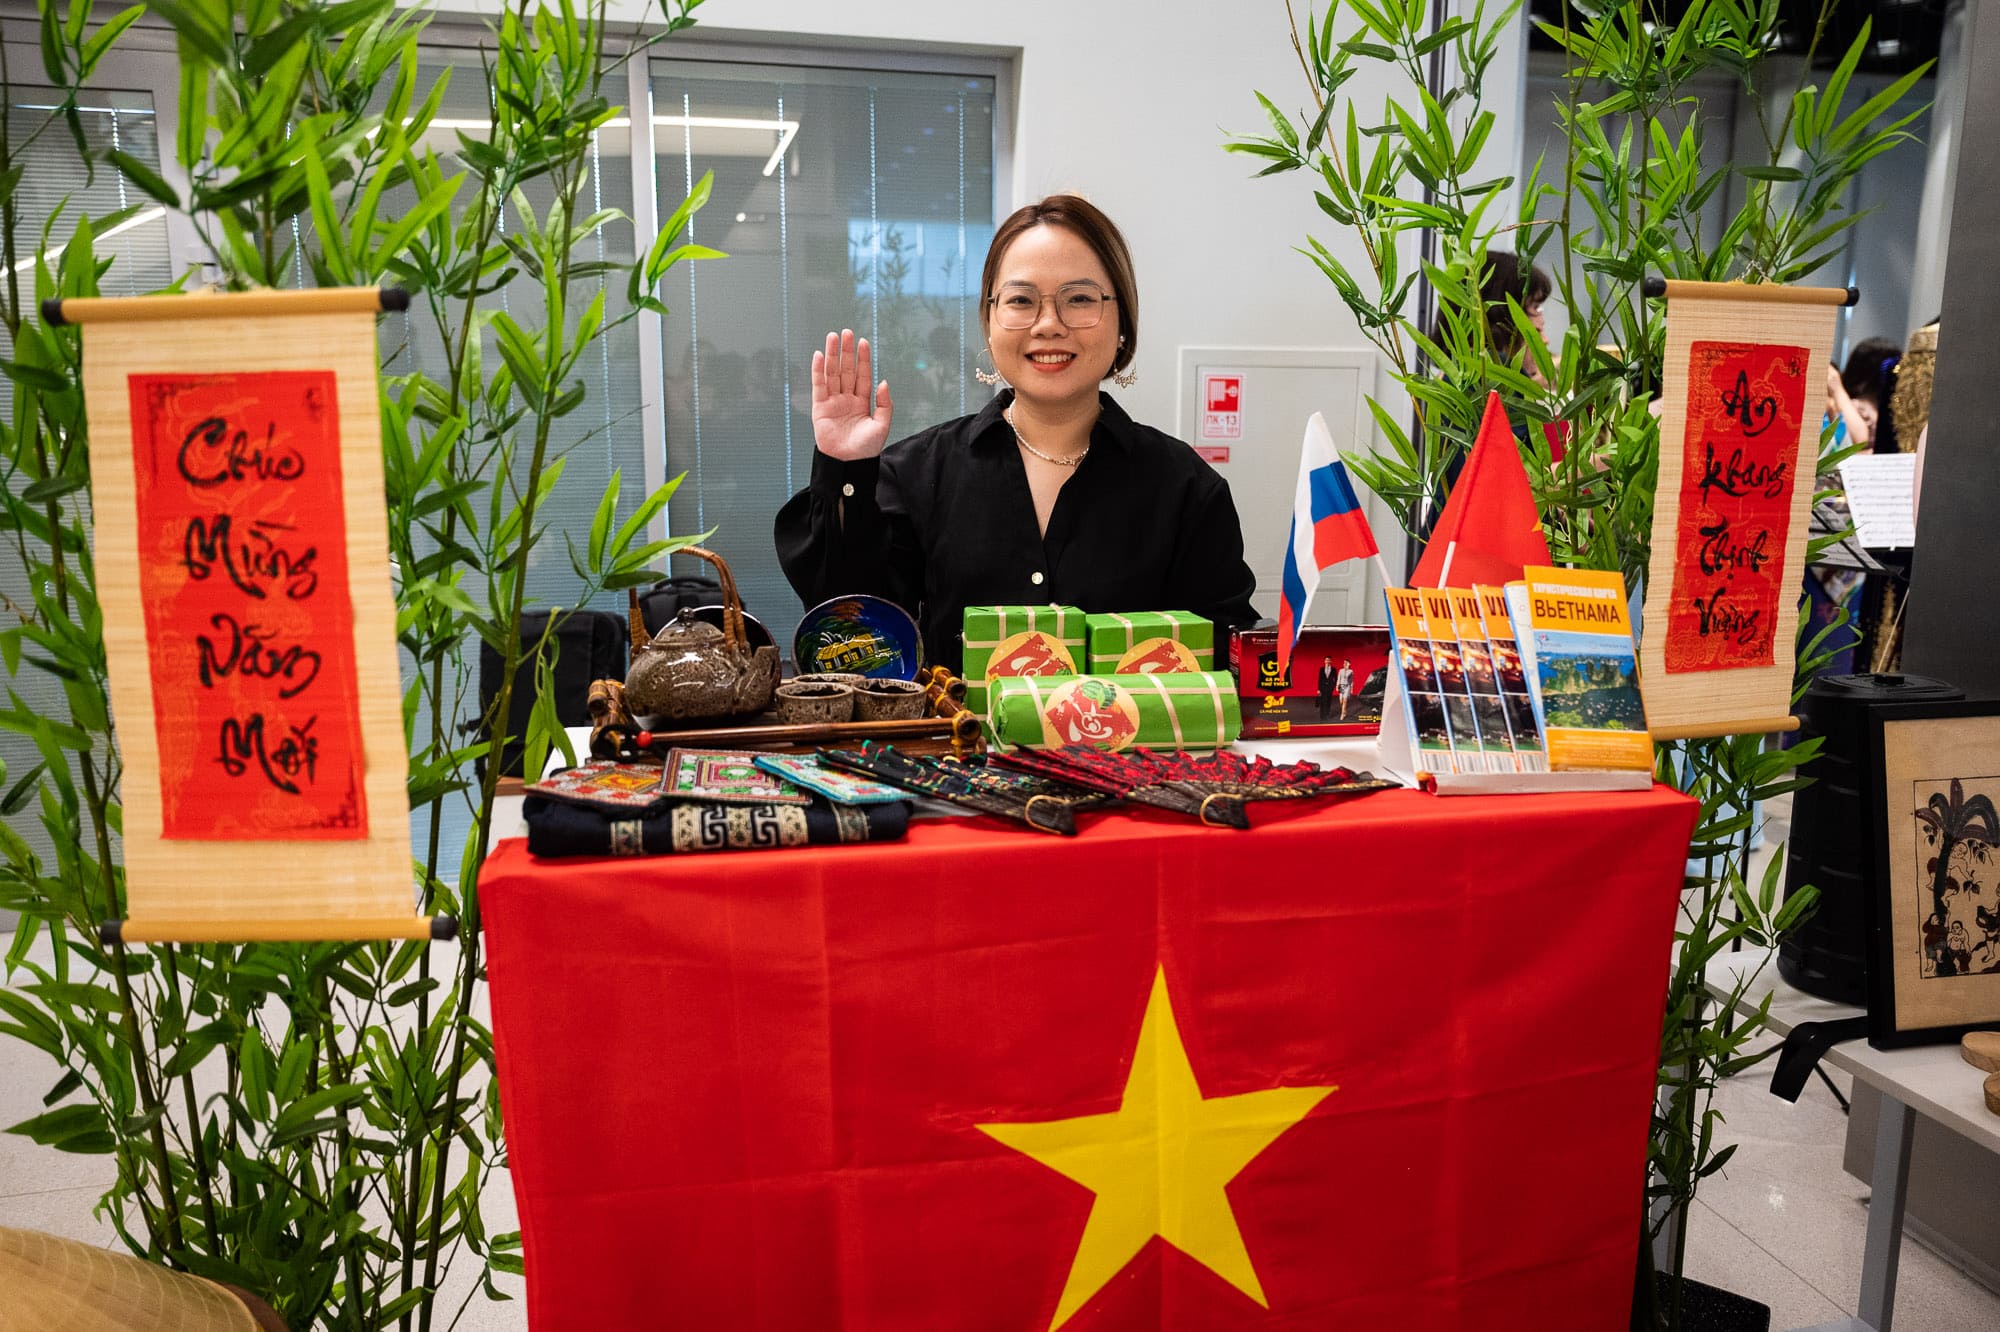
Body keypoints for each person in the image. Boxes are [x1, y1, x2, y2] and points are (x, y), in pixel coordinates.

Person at [775, 194, 1259, 672]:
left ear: (1122, 324)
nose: (1048, 325)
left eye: (1080, 299)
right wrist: (846, 469)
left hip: (1129, 729)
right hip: (960, 728)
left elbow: (1224, 654)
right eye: (1021, 300)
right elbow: (851, 633)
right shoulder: (920, 474)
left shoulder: (1185, 488)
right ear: (990, 323)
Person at [1316, 656, 1336, 722]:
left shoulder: (1333, 669)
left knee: (1328, 702)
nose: (1327, 661)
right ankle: (1322, 716)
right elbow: (1319, 679)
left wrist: (1333, 687)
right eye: (1326, 660)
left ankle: (1327, 715)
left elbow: (1335, 679)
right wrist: (1318, 689)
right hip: (1322, 688)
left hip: (1329, 688)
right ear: (1324, 661)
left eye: (1329, 660)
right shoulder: (1321, 669)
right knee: (1322, 702)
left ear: (1331, 661)